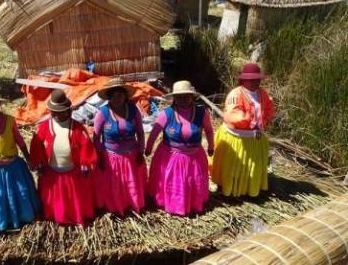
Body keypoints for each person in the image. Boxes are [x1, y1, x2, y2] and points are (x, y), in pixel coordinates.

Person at [0, 89, 40, 231]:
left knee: (19, 193)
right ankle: (3, 221)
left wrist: (28, 158)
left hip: (13, 166)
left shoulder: (10, 120)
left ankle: (22, 218)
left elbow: (19, 140)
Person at [145, 81, 214, 215]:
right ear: (174, 98)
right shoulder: (166, 114)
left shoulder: (201, 113)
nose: (182, 100)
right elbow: (155, 132)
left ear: (191, 96)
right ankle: (174, 205)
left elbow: (209, 131)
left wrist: (211, 146)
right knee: (175, 183)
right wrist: (148, 149)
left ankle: (192, 203)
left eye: (186, 96)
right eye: (179, 97)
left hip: (195, 156)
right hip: (171, 155)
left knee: (192, 181)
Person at [29, 89, 98, 225]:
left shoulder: (77, 128)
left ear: (68, 110)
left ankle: (75, 217)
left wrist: (86, 163)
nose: (57, 114)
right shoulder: (43, 127)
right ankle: (57, 217)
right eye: (54, 111)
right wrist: (39, 163)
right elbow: (36, 147)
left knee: (74, 198)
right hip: (52, 173)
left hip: (73, 172)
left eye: (61, 111)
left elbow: (86, 147)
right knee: (55, 200)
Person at [211, 63, 275, 197]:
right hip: (237, 138)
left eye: (257, 80)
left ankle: (247, 189)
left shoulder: (262, 93)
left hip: (254, 137)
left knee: (252, 167)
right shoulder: (236, 94)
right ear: (243, 80)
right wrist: (250, 120)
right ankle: (230, 190)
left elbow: (269, 107)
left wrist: (265, 121)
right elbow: (232, 115)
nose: (255, 82)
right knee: (233, 167)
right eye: (251, 80)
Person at [93, 78, 147, 215]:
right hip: (111, 157)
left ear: (125, 96)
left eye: (120, 95)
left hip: (132, 155)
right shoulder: (102, 113)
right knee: (116, 185)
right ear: (109, 97)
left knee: (131, 183)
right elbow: (96, 137)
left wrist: (141, 151)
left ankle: (132, 204)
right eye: (113, 95)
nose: (117, 98)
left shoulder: (133, 110)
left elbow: (140, 133)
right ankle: (117, 207)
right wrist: (99, 156)